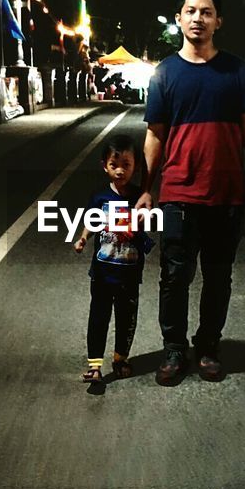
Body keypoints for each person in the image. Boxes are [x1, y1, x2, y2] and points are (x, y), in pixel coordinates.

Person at [136, 0, 245, 385]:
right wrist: (146, 188)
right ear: (179, 19)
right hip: (179, 194)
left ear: (218, 22)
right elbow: (155, 136)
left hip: (227, 195)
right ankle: (174, 349)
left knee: (218, 277)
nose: (198, 18)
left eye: (206, 12)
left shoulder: (234, 70)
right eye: (191, 11)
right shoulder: (164, 73)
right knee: (174, 276)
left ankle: (209, 347)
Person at [73, 134, 154, 383]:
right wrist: (83, 238)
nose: (120, 171)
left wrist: (143, 218)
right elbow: (91, 222)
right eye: (113, 165)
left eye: (126, 165)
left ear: (136, 166)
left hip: (129, 272)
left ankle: (121, 358)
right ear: (104, 166)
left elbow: (150, 220)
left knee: (126, 318)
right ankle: (95, 364)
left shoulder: (140, 196)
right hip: (102, 272)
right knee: (98, 316)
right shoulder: (99, 197)